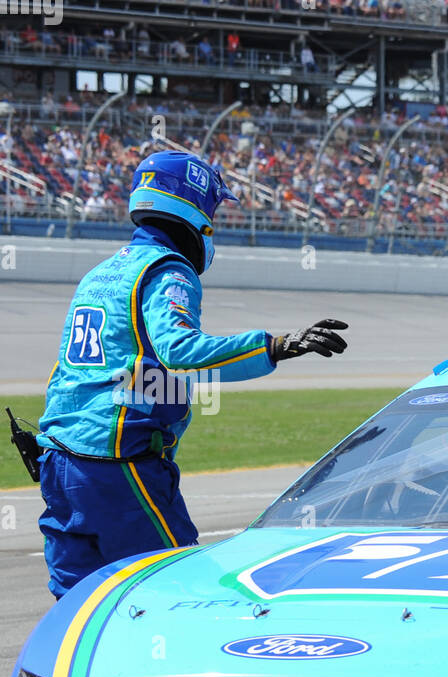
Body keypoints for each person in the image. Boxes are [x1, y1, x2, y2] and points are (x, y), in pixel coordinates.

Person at [37, 150, 349, 600]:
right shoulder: (167, 268)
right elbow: (180, 351)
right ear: (194, 206)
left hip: (58, 461)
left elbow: (76, 370)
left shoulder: (100, 274)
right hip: (118, 467)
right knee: (176, 588)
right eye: (213, 208)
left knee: (77, 603)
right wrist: (276, 346)